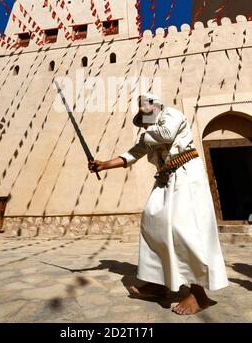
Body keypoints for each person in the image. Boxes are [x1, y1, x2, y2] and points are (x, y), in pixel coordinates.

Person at [88, 93, 228, 315]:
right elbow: (133, 154)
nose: (144, 117)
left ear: (154, 107)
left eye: (146, 109)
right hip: (165, 179)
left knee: (184, 230)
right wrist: (104, 164)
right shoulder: (148, 135)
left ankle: (198, 293)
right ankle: (158, 283)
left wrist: (144, 134)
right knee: (152, 223)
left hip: (185, 175)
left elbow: (166, 133)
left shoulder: (170, 115)